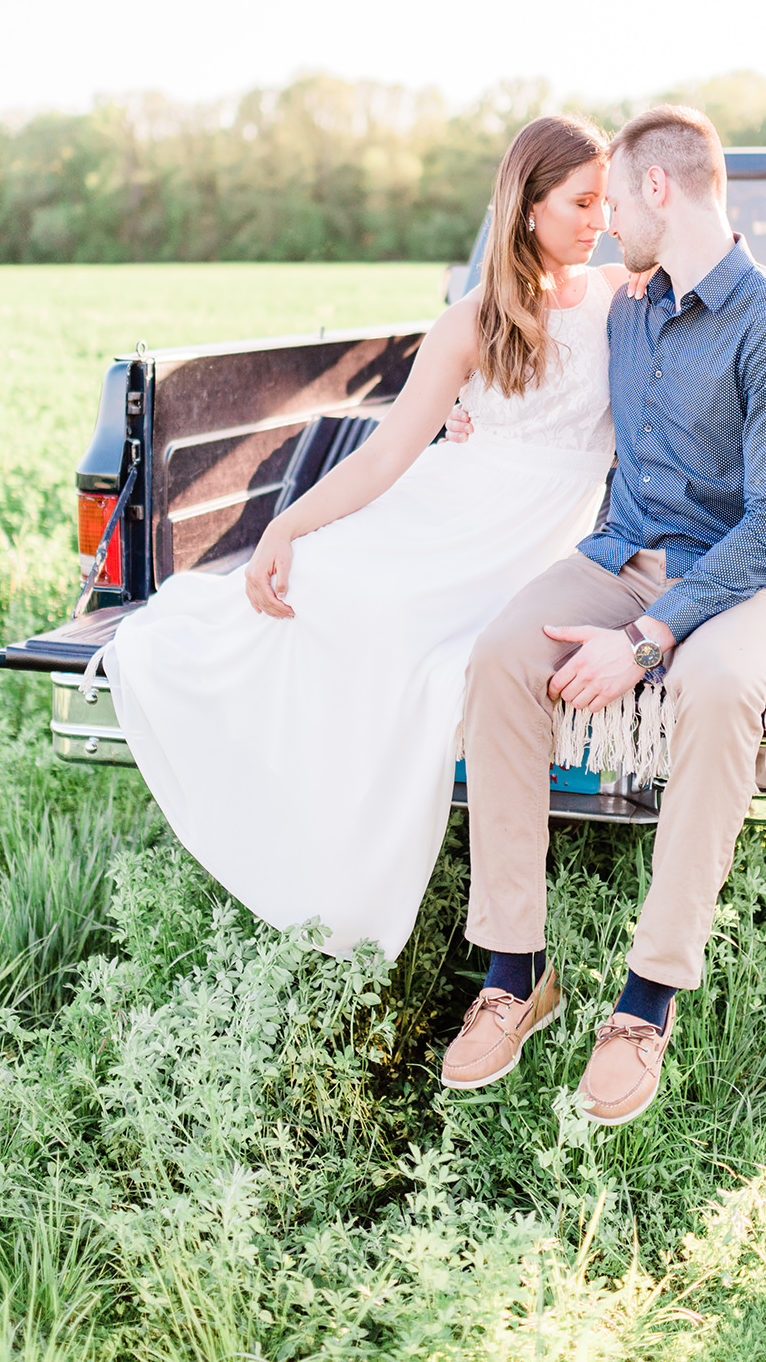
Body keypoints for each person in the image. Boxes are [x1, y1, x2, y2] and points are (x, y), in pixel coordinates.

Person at [98, 114, 646, 962]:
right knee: (327, 584)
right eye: (581, 202)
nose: (600, 219)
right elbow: (390, 452)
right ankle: (290, 800)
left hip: (535, 538)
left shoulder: (622, 296)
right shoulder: (469, 322)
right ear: (528, 208)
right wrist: (286, 522)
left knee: (418, 640)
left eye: (606, 202)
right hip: (449, 511)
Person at [439, 104, 766, 1124]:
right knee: (498, 655)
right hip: (622, 560)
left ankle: (645, 1002)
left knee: (711, 686)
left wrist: (645, 640)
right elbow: (527, 332)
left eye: (614, 200)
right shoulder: (624, 307)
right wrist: (470, 410)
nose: (607, 222)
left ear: (660, 188)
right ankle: (514, 967)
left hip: (748, 582)